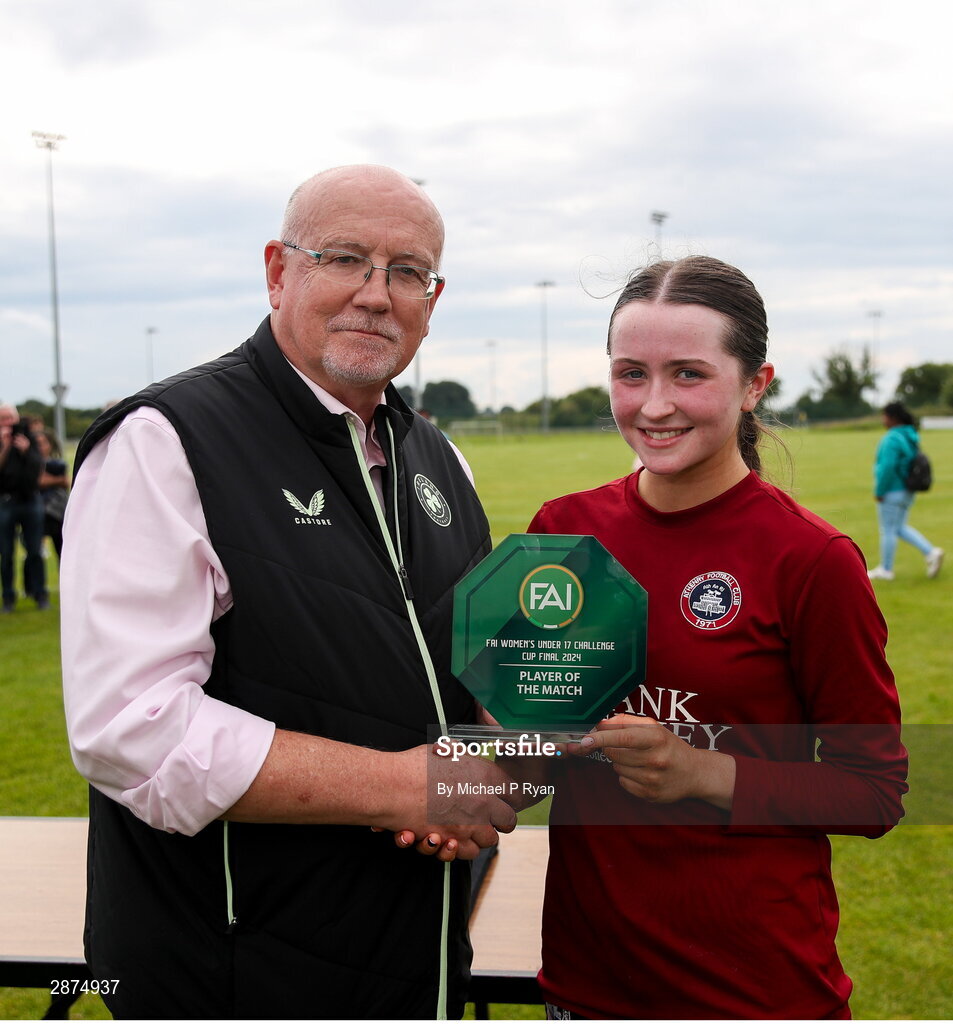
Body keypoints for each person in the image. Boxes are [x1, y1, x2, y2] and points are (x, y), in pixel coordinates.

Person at [61, 165, 518, 1019]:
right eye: (344, 258)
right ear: (279, 271)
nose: (377, 295)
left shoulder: (438, 460)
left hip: (418, 961)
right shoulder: (166, 441)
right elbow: (132, 731)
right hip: (234, 972)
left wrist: (507, 754)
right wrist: (401, 785)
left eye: (407, 271)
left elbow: (472, 688)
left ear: (433, 296)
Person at [522, 257, 907, 1019]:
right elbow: (534, 741)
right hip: (586, 986)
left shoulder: (810, 559)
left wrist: (702, 774)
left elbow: (875, 790)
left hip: (750, 992)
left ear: (754, 384)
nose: (654, 404)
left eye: (688, 374)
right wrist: (456, 794)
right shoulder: (563, 531)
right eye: (631, 373)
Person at [867, 400, 943, 581]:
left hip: (893, 490)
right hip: (907, 490)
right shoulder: (910, 435)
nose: (882, 419)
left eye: (884, 416)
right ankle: (931, 552)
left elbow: (887, 466)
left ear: (893, 418)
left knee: (888, 530)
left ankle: (886, 569)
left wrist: (879, 490)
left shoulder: (893, 438)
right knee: (899, 528)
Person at [0, 404, 48, 612]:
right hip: (5, 500)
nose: (7, 423)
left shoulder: (29, 438)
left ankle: (40, 594)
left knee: (34, 550)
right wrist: (5, 448)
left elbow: (39, 466)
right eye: (3, 419)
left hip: (30, 499)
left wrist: (27, 449)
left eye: (10, 418)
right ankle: (8, 597)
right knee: (6, 552)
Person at [34, 428, 70, 562]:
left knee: (62, 551)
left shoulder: (57, 464)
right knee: (35, 552)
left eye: (44, 443)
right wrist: (55, 480)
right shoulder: (30, 464)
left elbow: (66, 481)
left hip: (56, 511)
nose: (41, 447)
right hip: (37, 511)